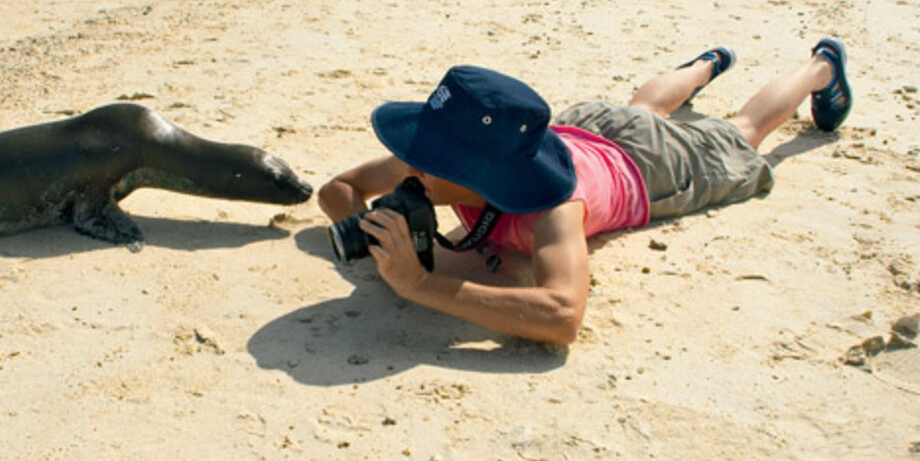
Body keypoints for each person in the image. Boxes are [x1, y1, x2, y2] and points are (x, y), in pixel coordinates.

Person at [317, 38, 852, 345]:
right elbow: (338, 189)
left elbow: (563, 316)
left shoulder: (552, 212)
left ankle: (820, 66)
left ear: (475, 173)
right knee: (640, 111)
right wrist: (372, 234)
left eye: (427, 159)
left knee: (740, 133)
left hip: (641, 163)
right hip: (576, 131)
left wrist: (418, 284)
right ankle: (708, 65)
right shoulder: (443, 164)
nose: (413, 167)